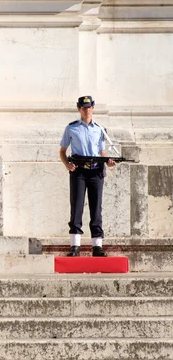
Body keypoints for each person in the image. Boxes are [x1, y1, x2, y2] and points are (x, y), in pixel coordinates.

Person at [59, 95, 116, 257]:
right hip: (79, 171)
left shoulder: (99, 128)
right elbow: (62, 151)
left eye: (89, 107)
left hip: (96, 171)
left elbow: (101, 151)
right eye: (84, 107)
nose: (87, 110)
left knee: (96, 208)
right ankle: (75, 245)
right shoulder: (71, 128)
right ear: (79, 109)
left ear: (93, 108)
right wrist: (67, 165)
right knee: (76, 207)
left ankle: (97, 245)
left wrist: (108, 161)